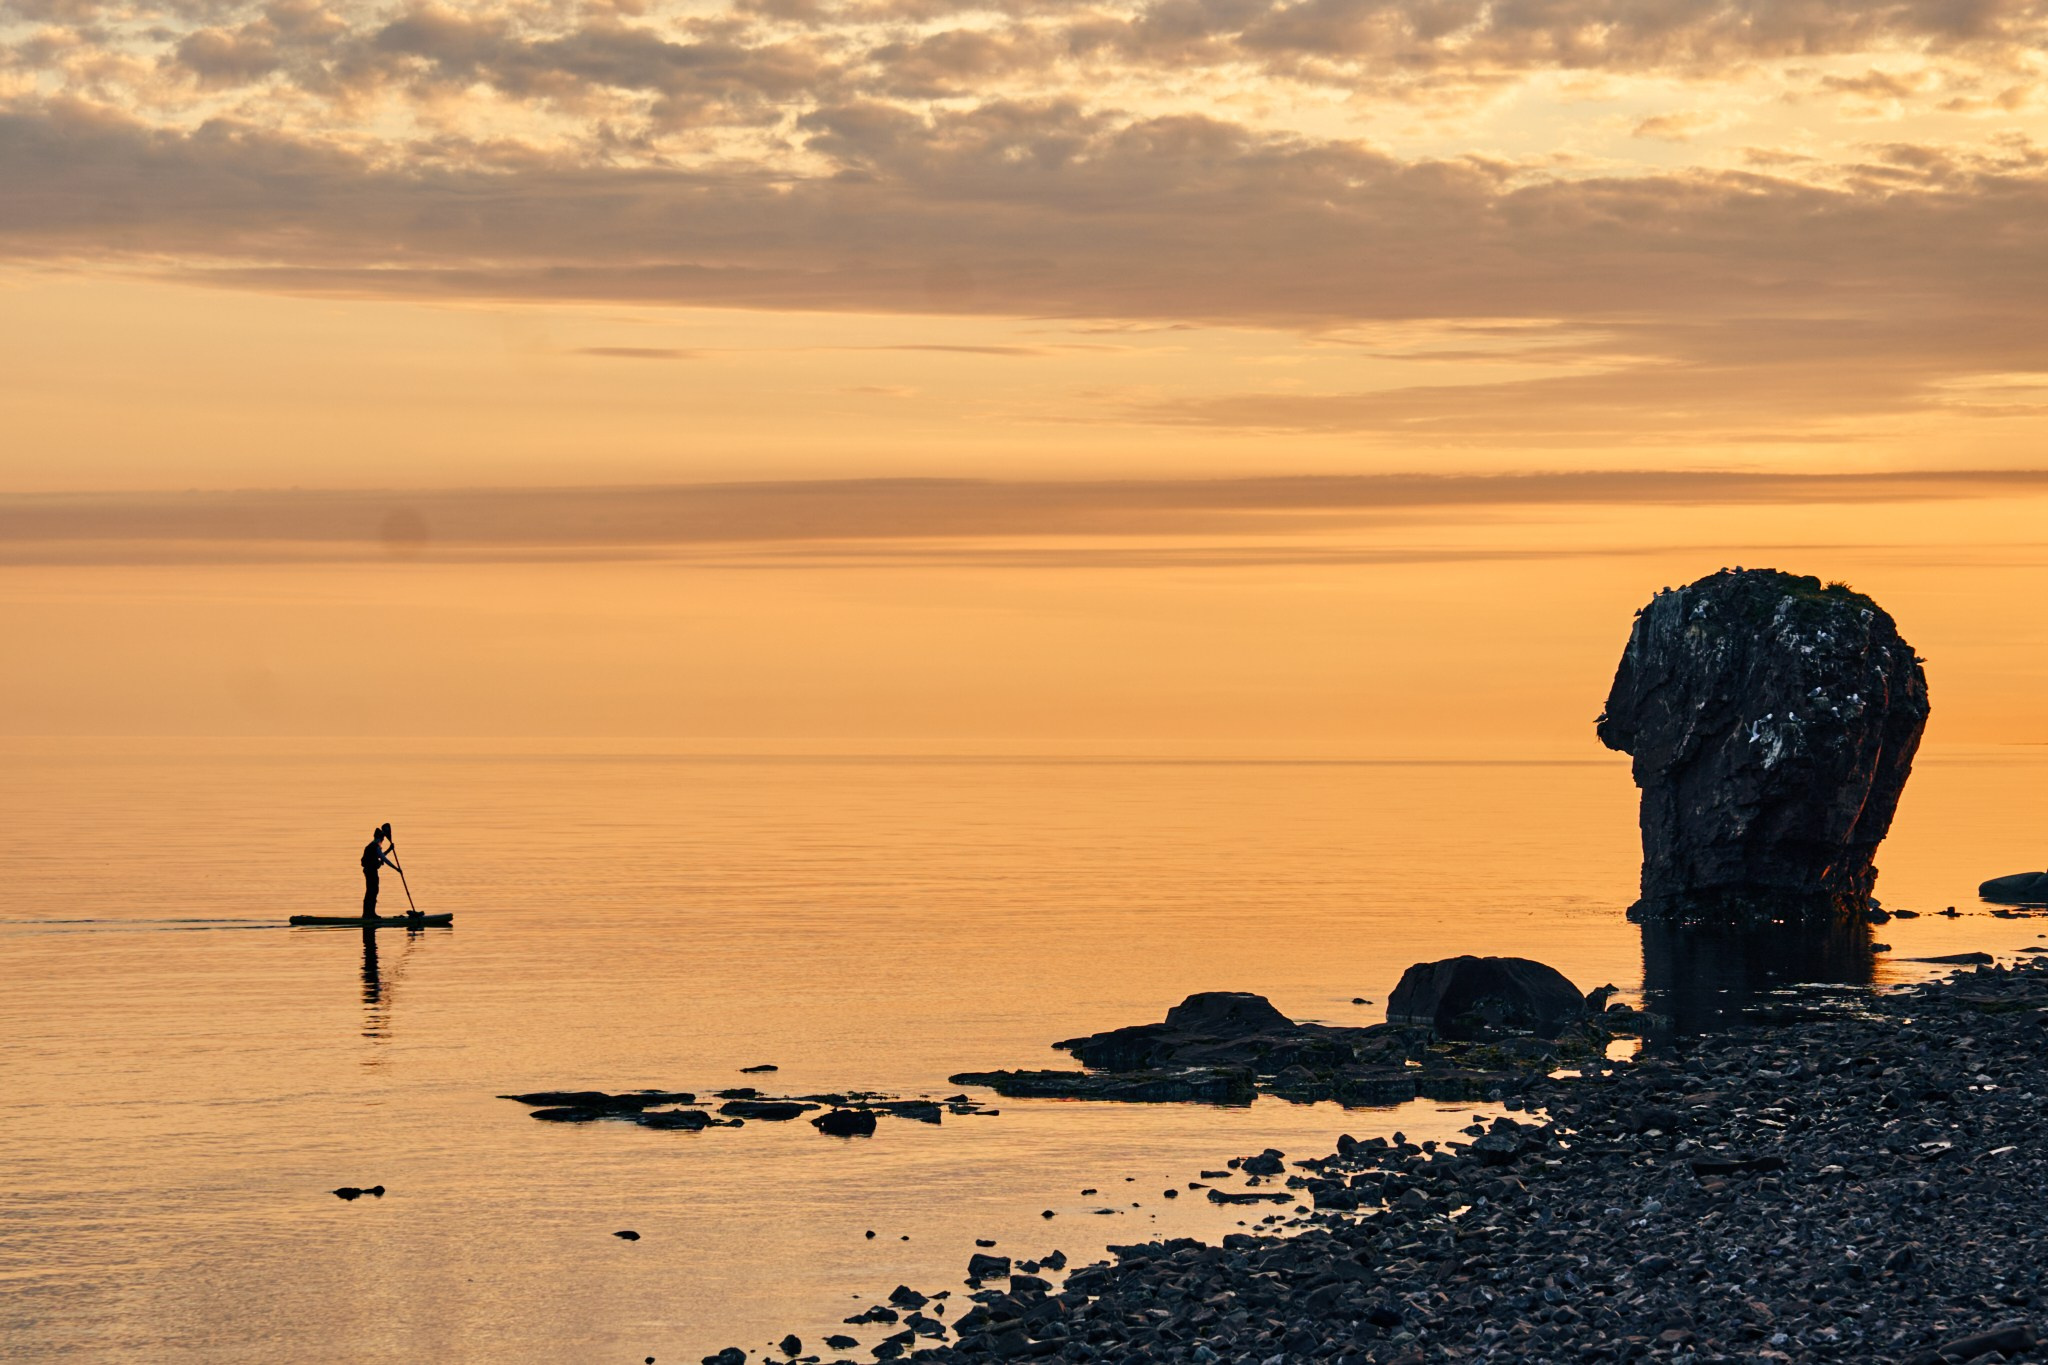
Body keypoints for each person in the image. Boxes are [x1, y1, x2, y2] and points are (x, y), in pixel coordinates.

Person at [361, 825, 396, 917]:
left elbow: (380, 856)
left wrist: (389, 850)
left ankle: (368, 914)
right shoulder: (375, 847)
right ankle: (369, 914)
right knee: (373, 891)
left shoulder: (371, 846)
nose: (383, 840)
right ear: (379, 838)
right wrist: (396, 869)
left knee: (371, 891)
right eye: (382, 838)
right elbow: (384, 859)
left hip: (368, 871)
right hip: (371, 872)